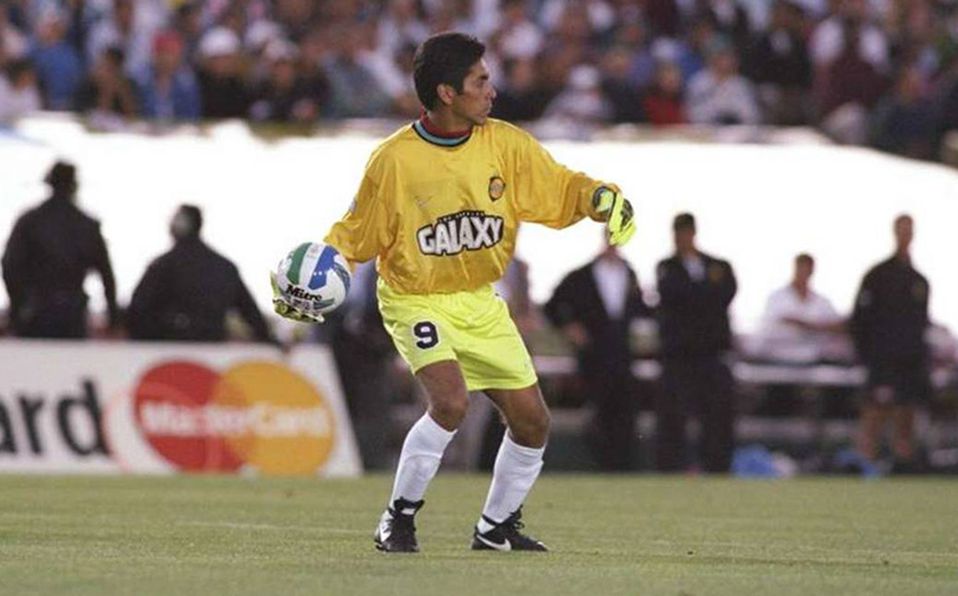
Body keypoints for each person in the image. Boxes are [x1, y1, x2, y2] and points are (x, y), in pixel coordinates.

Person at [273, 32, 635, 553]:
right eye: (480, 81)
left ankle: (495, 527)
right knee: (450, 402)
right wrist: (314, 284)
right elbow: (356, 235)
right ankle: (397, 519)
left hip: (479, 300)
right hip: (415, 296)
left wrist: (601, 197)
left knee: (533, 421)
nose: (492, 90)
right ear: (447, 93)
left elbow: (559, 186)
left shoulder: (505, 144)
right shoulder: (395, 160)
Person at [544, 237, 651, 471]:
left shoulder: (629, 272)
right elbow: (552, 306)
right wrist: (569, 327)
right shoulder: (581, 275)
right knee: (598, 414)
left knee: (625, 414)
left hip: (622, 356)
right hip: (594, 356)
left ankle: (623, 467)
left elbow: (639, 309)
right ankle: (598, 465)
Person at [654, 212, 737, 473]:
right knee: (673, 417)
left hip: (712, 354)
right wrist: (704, 296)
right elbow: (674, 295)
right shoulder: (667, 266)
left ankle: (716, 468)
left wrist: (696, 298)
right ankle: (672, 469)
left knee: (717, 416)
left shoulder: (718, 265)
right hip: (678, 355)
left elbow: (726, 293)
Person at [2, 160, 119, 338]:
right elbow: (106, 275)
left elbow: (10, 266)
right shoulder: (87, 225)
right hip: (72, 313)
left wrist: (18, 305)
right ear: (74, 186)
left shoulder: (29, 222)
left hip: (35, 312)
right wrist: (113, 318)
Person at [850, 214, 930, 472]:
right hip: (881, 358)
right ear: (895, 232)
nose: (905, 234)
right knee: (875, 411)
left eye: (909, 230)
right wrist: (867, 355)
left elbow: (921, 324)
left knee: (905, 414)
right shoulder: (878, 275)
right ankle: (865, 466)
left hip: (910, 360)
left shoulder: (919, 280)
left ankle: (901, 468)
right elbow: (859, 319)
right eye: (902, 229)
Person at [126, 204, 274, 343]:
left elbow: (137, 310)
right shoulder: (224, 267)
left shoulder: (162, 266)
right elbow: (250, 312)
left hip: (167, 348)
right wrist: (269, 339)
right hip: (214, 349)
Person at [753, 253, 845, 364]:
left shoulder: (821, 301)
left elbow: (838, 325)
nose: (804, 272)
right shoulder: (777, 298)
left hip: (812, 360)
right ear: (795, 268)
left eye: (807, 269)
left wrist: (807, 325)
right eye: (801, 268)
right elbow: (773, 327)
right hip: (778, 359)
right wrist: (817, 327)